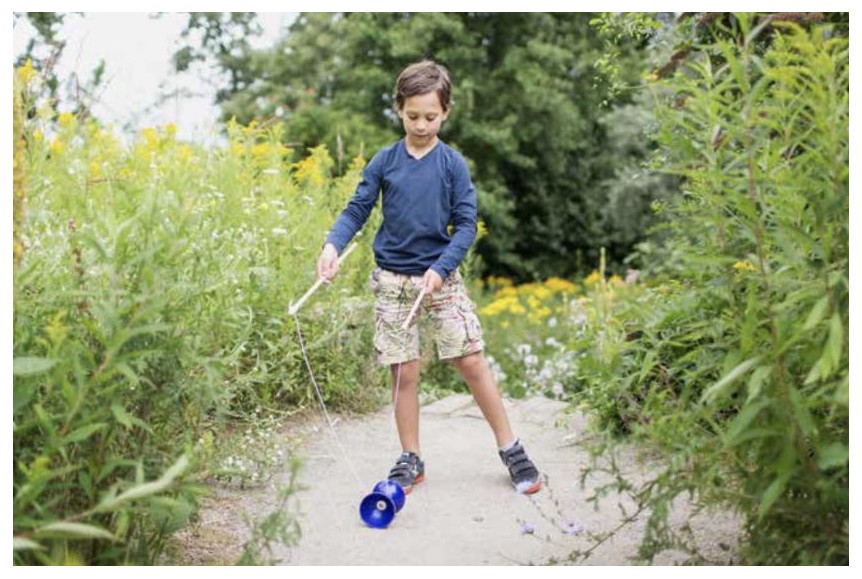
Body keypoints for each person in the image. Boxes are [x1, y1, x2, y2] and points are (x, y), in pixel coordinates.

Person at [316, 60, 541, 495]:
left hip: (441, 280)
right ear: (399, 108)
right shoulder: (385, 161)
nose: (421, 125)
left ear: (446, 112)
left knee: (471, 360)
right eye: (412, 115)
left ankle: (511, 447)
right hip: (392, 284)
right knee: (403, 372)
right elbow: (356, 210)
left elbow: (467, 225)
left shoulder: (452, 165)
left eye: (431, 117)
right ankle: (410, 457)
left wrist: (440, 270)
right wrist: (331, 246)